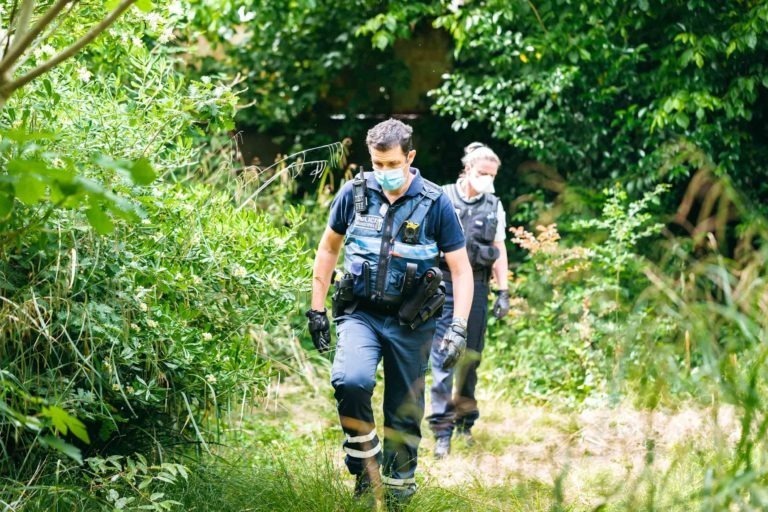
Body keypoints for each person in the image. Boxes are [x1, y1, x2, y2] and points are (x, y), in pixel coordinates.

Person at [305, 119, 474, 503]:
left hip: (412, 322)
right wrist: (317, 311)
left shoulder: (435, 202)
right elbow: (328, 248)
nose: (383, 173)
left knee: (404, 413)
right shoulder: (354, 193)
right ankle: (366, 469)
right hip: (360, 313)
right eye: (377, 164)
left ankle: (398, 494)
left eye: (392, 164)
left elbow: (461, 270)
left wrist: (459, 327)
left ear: (410, 157)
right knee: (350, 381)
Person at [428, 142, 510, 459]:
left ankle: (464, 423)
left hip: (476, 286)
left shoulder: (494, 206)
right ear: (467, 169)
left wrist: (503, 291)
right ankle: (442, 431)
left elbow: (499, 249)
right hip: (442, 286)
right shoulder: (442, 198)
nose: (487, 179)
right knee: (442, 356)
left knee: (469, 359)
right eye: (482, 173)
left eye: (492, 175)